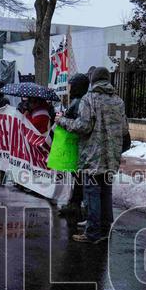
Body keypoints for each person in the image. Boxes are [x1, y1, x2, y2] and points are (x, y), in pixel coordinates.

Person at [56, 66, 126, 244]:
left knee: (92, 193)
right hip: (111, 157)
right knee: (106, 193)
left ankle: (92, 233)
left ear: (93, 80)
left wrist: (62, 121)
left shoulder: (89, 99)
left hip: (93, 157)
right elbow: (124, 129)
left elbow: (83, 126)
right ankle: (104, 230)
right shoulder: (118, 101)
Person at [58, 72, 90, 217]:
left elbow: (73, 122)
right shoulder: (81, 100)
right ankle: (74, 202)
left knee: (77, 175)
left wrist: (62, 119)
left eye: (72, 85)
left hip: (76, 144)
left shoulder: (78, 102)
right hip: (78, 144)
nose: (70, 88)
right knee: (77, 175)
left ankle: (75, 203)